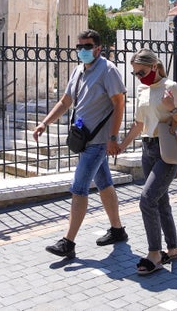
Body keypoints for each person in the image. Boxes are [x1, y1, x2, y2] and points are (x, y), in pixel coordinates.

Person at [34, 30, 127, 259]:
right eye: (79, 47)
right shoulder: (78, 71)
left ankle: (69, 242)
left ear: (98, 48)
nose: (82, 51)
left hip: (98, 142)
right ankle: (117, 230)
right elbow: (66, 101)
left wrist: (113, 137)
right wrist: (45, 123)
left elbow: (119, 103)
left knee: (79, 188)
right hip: (83, 138)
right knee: (104, 184)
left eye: (87, 47)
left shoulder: (108, 70)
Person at [117, 48, 177, 275]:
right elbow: (138, 124)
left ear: (154, 67)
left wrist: (171, 107)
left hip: (166, 149)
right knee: (160, 200)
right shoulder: (142, 89)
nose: (139, 76)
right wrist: (121, 145)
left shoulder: (171, 87)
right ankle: (172, 249)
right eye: (135, 73)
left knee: (147, 200)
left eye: (142, 71)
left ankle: (154, 254)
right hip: (147, 149)